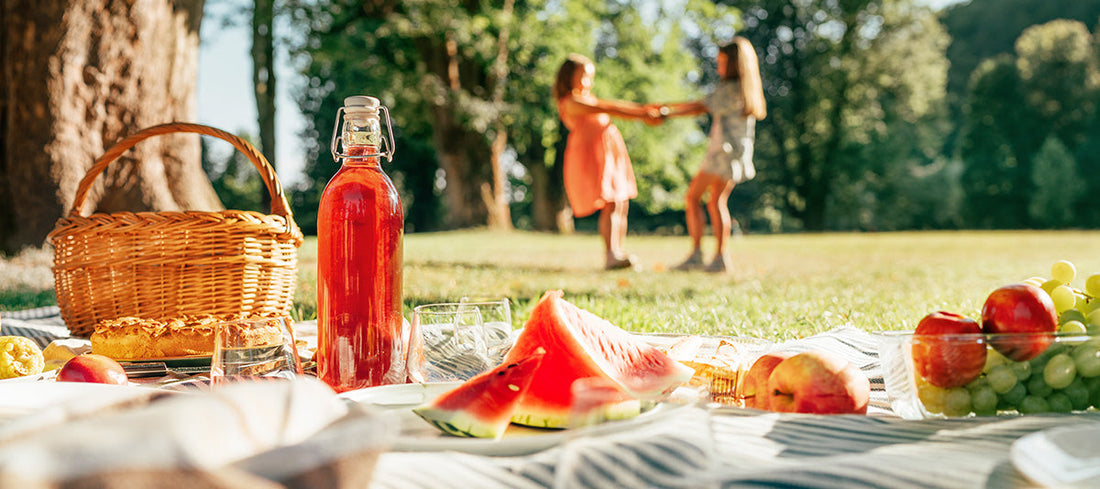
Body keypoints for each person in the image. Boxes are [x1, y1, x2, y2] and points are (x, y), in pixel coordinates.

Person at [661, 37, 767, 273]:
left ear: (732, 64)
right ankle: (720, 257)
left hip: (722, 152)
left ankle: (698, 254)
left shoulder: (729, 89)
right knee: (716, 201)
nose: (718, 67)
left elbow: (701, 106)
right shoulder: (747, 90)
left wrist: (667, 111)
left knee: (693, 197)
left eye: (721, 62)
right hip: (737, 153)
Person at [553, 53, 662, 270]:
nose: (588, 82)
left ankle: (618, 251)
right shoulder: (571, 101)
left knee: (621, 201)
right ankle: (611, 253)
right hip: (592, 155)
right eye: (583, 76)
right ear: (568, 77)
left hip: (610, 154)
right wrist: (642, 113)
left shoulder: (587, 98)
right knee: (611, 202)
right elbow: (610, 108)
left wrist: (645, 111)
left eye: (590, 77)